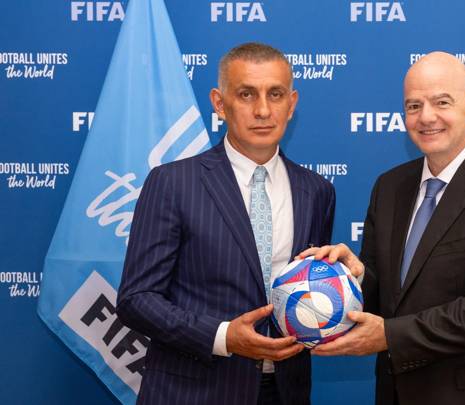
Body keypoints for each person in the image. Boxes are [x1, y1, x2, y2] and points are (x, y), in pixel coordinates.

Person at [301, 52, 465, 404]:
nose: (426, 117)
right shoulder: (389, 187)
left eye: (441, 102)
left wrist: (390, 336)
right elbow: (385, 293)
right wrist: (351, 278)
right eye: (413, 106)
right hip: (397, 392)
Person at [117, 42, 337, 405]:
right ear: (219, 103)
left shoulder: (317, 191)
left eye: (275, 94)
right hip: (193, 392)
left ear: (292, 103)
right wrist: (222, 336)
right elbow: (136, 300)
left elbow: (310, 293)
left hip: (284, 392)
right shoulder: (173, 183)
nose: (263, 109)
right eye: (247, 94)